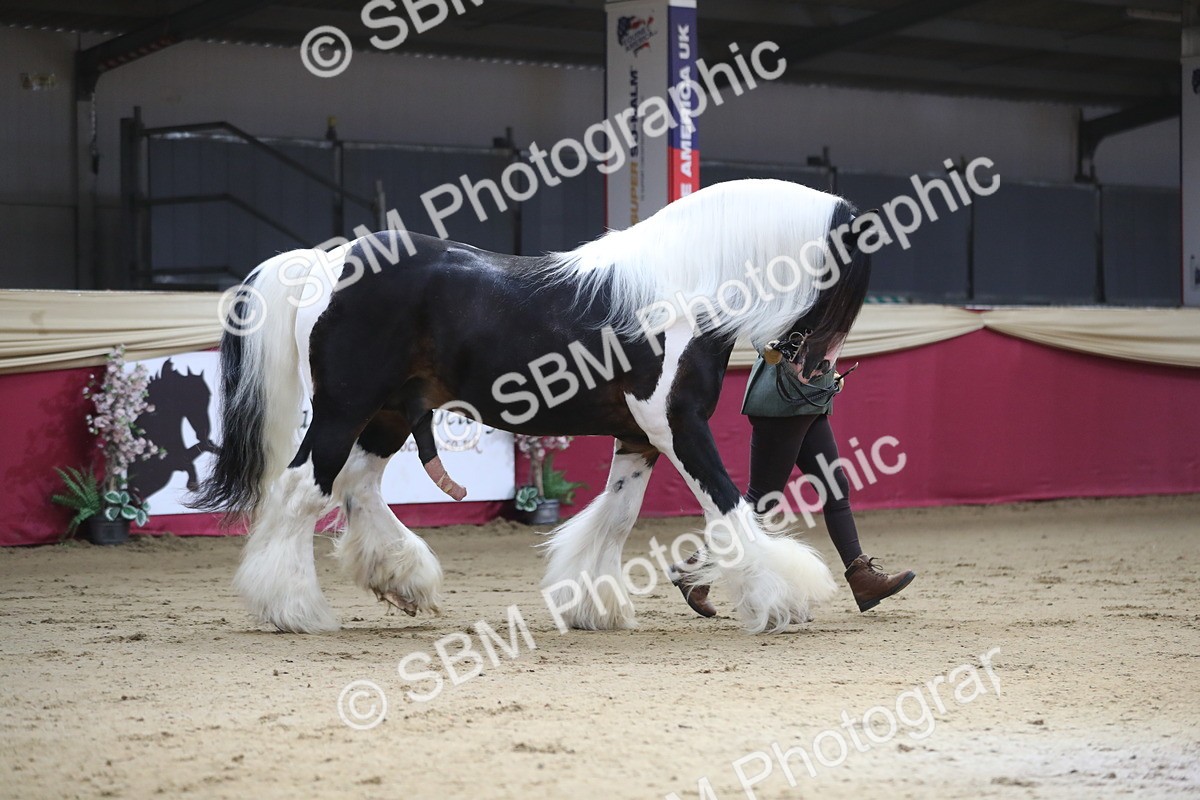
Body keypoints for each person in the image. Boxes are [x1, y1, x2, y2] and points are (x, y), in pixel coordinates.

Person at [671, 335, 915, 618]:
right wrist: (773, 347)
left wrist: (824, 368)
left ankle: (861, 578)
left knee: (834, 488)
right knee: (762, 501)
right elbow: (762, 328)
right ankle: (696, 569)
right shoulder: (793, 290)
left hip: (809, 397)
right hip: (784, 399)